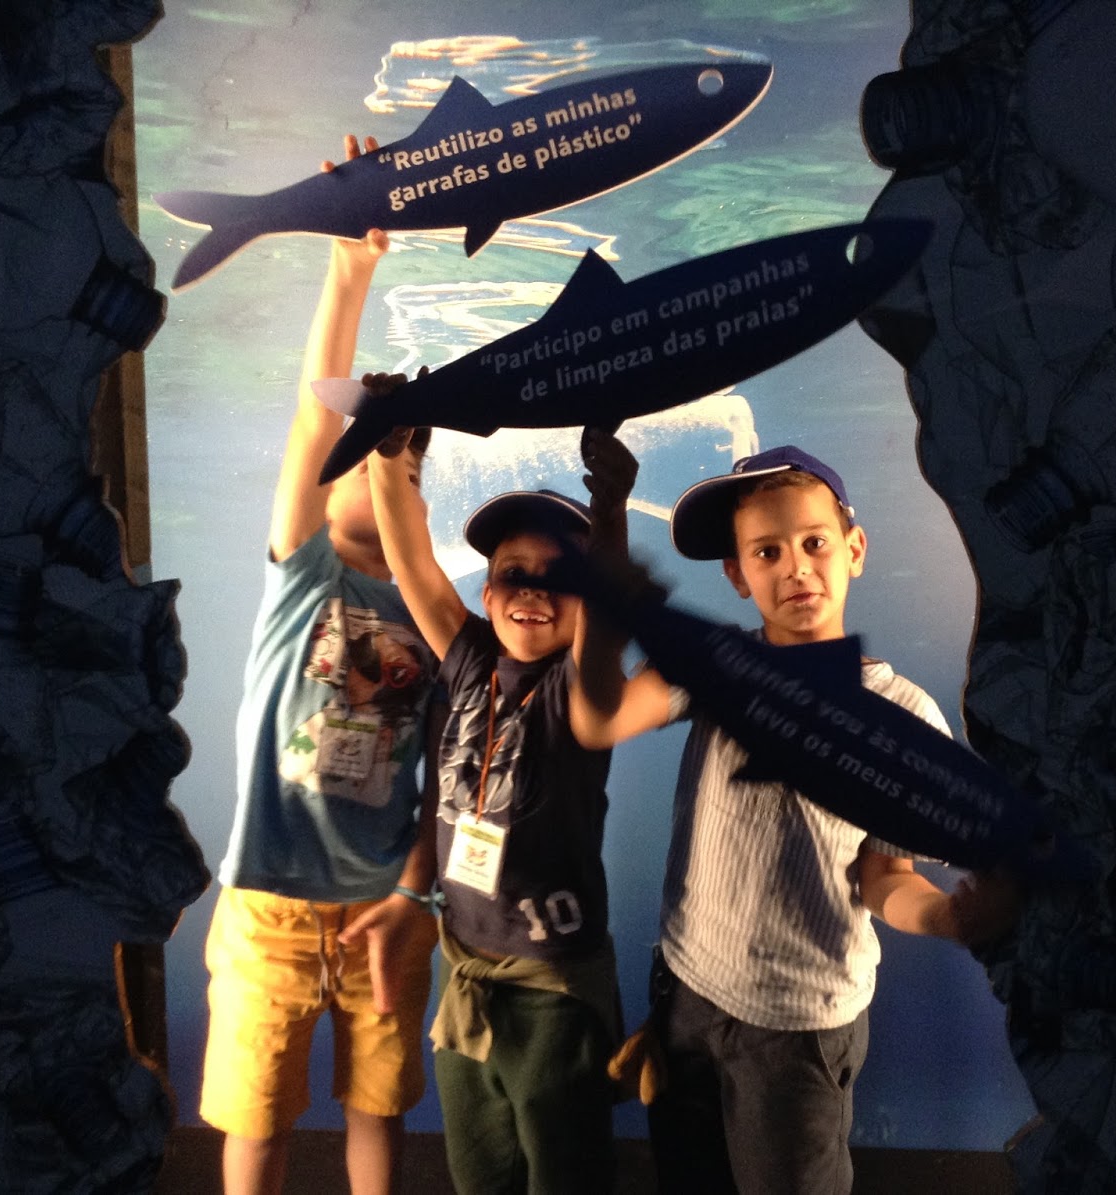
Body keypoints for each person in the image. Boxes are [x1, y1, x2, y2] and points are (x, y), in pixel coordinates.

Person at [570, 445, 1023, 1193]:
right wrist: (607, 537)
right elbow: (598, 718)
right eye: (766, 552)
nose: (795, 568)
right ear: (737, 574)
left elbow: (884, 874)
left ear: (854, 549)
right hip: (686, 991)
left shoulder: (901, 715)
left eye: (814, 542)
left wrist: (946, 917)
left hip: (801, 1026)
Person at [199, 135, 442, 1195]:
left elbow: (449, 775)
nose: (373, 474)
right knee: (254, 1119)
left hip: (384, 902)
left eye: (397, 463)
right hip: (269, 904)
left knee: (377, 1111)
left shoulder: (435, 616)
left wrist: (418, 893)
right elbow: (313, 415)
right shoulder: (301, 567)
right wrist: (351, 267)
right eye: (356, 457)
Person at [363, 390, 639, 1193]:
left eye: (560, 579)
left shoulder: (580, 693)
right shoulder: (470, 662)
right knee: (478, 1172)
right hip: (468, 977)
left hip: (555, 991)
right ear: (485, 592)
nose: (532, 591)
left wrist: (610, 513)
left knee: (566, 1174)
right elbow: (413, 564)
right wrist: (388, 457)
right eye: (513, 574)